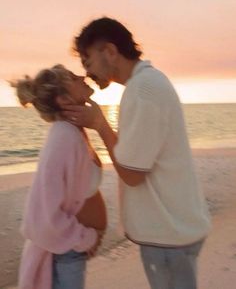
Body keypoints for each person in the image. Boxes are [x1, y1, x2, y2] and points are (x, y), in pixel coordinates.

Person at [62, 17, 211, 289]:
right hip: (174, 229)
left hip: (169, 234)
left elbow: (132, 174)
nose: (88, 72)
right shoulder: (145, 84)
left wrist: (99, 124)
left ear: (109, 51)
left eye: (88, 61)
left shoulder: (143, 90)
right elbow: (134, 154)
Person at [13, 64, 107, 289]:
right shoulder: (64, 136)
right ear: (64, 100)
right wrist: (84, 239)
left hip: (68, 251)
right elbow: (44, 214)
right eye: (74, 78)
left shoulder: (73, 131)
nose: (83, 76)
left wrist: (98, 123)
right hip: (64, 251)